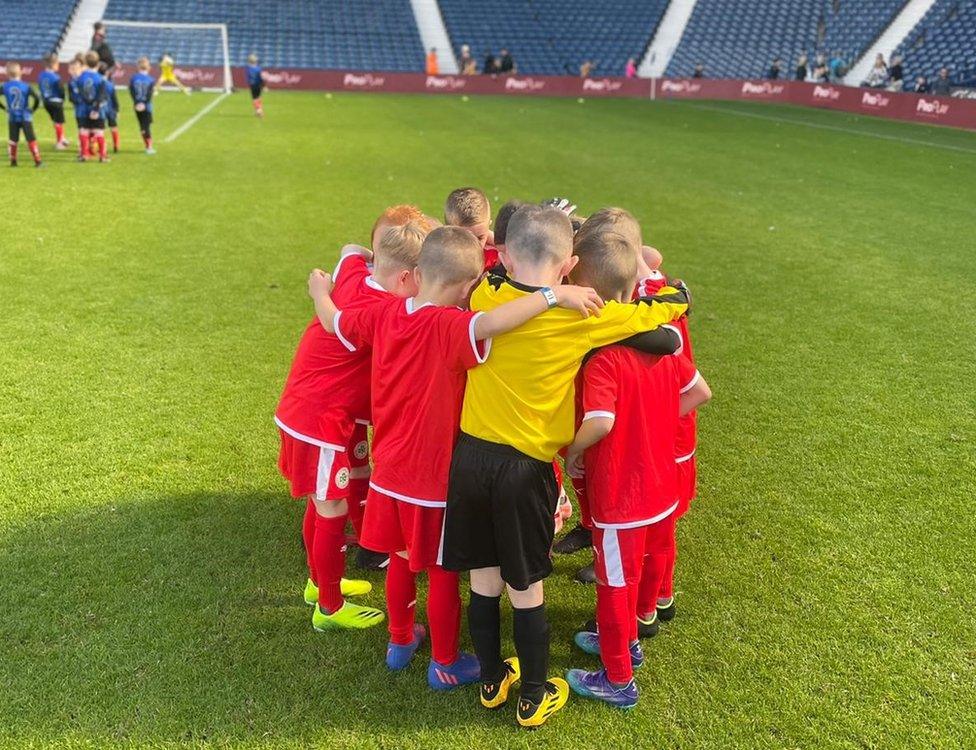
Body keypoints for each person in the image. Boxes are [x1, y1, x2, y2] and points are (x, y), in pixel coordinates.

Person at [307, 227, 602, 690]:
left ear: (418, 272)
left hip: (390, 475)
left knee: (403, 560)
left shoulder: (384, 314)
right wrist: (552, 295)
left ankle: (400, 640)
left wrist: (319, 290)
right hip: (435, 480)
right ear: (468, 289)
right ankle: (444, 661)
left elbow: (333, 321)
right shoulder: (450, 326)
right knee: (443, 572)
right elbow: (492, 324)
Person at [441, 205, 690, 728]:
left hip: (469, 457)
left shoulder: (487, 295)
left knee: (483, 580)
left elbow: (500, 272)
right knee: (526, 586)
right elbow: (665, 314)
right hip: (523, 467)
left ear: (505, 254)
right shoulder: (584, 315)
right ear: (569, 265)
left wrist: (543, 282)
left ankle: (491, 678)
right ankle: (533, 693)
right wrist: (665, 289)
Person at [561, 229, 703, 709]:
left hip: (622, 494)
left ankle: (618, 677)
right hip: (662, 485)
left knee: (613, 583)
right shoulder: (664, 346)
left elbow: (600, 421)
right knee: (642, 568)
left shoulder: (604, 357)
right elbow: (700, 392)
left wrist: (574, 451)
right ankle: (630, 643)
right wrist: (657, 422)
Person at [275, 209, 432, 631]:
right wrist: (319, 295)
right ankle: (328, 608)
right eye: (425, 275)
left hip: (314, 409)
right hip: (319, 418)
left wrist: (375, 254)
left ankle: (317, 582)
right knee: (331, 505)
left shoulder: (353, 273)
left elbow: (349, 250)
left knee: (321, 498)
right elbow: (334, 319)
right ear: (406, 278)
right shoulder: (378, 309)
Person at [1, 62, 43, 167]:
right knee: (31, 138)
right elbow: (37, 98)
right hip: (25, 116)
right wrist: (33, 109)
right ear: (20, 73)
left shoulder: (4, 86)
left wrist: (3, 108)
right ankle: (37, 161)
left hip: (12, 117)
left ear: (7, 73)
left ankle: (13, 161)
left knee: (13, 139)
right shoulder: (26, 86)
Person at [77, 51, 109, 162]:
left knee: (84, 131)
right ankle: (103, 156)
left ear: (85, 62)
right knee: (99, 132)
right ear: (97, 64)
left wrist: (87, 102)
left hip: (83, 109)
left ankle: (84, 155)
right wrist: (95, 109)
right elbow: (100, 96)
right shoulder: (101, 79)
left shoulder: (80, 77)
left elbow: (79, 93)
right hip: (97, 110)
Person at [444, 187, 493, 252]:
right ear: (448, 232)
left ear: (488, 226)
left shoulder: (499, 256)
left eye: (479, 238)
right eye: (465, 239)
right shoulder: (439, 256)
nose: (474, 247)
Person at [37, 53, 70, 149]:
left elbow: (40, 87)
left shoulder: (41, 75)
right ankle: (59, 142)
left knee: (56, 120)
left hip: (46, 101)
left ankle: (62, 138)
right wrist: (62, 99)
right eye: (57, 64)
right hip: (56, 101)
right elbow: (61, 90)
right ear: (53, 64)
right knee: (59, 122)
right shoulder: (56, 77)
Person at [129, 57, 156, 154]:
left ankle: (147, 145)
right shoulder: (151, 80)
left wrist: (137, 103)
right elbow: (149, 94)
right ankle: (149, 147)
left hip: (137, 106)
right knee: (146, 126)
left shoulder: (133, 78)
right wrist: (144, 104)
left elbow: (131, 92)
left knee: (142, 125)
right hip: (147, 106)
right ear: (148, 67)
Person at [103, 75, 120, 153]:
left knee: (100, 129)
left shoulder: (97, 82)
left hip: (101, 109)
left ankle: (102, 146)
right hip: (111, 109)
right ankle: (116, 145)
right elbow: (114, 98)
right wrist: (117, 110)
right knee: (113, 127)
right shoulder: (110, 84)